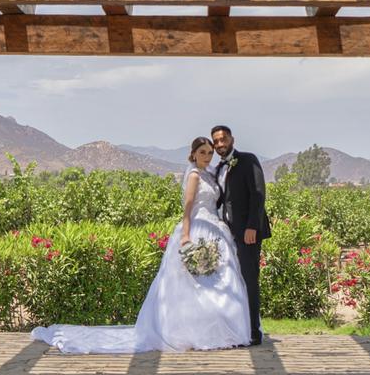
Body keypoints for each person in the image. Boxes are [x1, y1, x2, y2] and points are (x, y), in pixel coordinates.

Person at [30, 137, 252, 354]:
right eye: (202, 152)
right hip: (195, 229)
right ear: (193, 154)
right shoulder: (194, 175)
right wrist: (185, 235)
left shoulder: (209, 175)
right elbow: (188, 207)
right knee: (192, 285)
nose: (206, 156)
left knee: (216, 283)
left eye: (209, 153)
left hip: (214, 231)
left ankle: (217, 332)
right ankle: (194, 333)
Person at [209, 123, 270, 345]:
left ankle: (254, 331)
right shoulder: (217, 169)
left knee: (249, 279)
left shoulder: (248, 160)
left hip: (247, 233)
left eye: (223, 139)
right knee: (231, 281)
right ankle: (236, 328)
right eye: (216, 141)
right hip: (226, 233)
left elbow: (258, 194)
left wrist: (252, 227)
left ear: (232, 139)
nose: (219, 144)